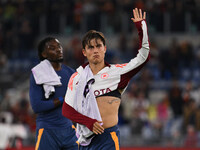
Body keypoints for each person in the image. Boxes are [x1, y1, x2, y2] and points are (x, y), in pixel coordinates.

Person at [62, 8, 150, 149]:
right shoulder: (77, 77)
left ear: (105, 48)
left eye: (98, 46)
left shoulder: (118, 72)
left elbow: (143, 57)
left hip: (107, 139)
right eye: (90, 47)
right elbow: (66, 110)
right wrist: (88, 122)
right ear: (84, 52)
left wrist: (141, 29)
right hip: (84, 141)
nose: (95, 50)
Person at [29, 37, 78, 150]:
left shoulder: (72, 73)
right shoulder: (38, 74)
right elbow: (37, 106)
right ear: (44, 54)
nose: (58, 49)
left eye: (59, 46)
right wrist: (63, 99)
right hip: (47, 131)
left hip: (69, 131)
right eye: (52, 48)